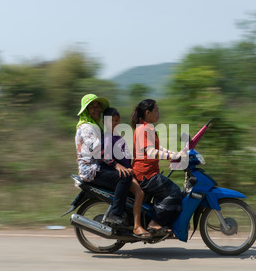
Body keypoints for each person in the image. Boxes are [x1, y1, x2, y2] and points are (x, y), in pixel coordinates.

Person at [75, 94, 132, 225]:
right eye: (92, 106)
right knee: (124, 177)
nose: (96, 109)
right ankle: (115, 213)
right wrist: (117, 165)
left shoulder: (95, 126)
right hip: (92, 169)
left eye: (98, 106)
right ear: (86, 110)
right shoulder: (86, 128)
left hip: (99, 166)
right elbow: (98, 151)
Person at [131, 99, 183, 232]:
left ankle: (163, 221)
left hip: (150, 172)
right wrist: (172, 156)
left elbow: (159, 148)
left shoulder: (147, 128)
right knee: (174, 191)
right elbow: (150, 152)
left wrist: (175, 154)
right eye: (156, 110)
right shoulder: (143, 129)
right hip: (145, 174)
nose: (158, 113)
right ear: (148, 112)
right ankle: (155, 223)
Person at [103, 107, 151, 239]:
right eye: (111, 121)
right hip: (121, 173)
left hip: (130, 171)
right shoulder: (108, 138)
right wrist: (119, 167)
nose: (115, 123)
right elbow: (107, 157)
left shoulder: (118, 137)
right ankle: (137, 226)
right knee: (140, 193)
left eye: (117, 120)